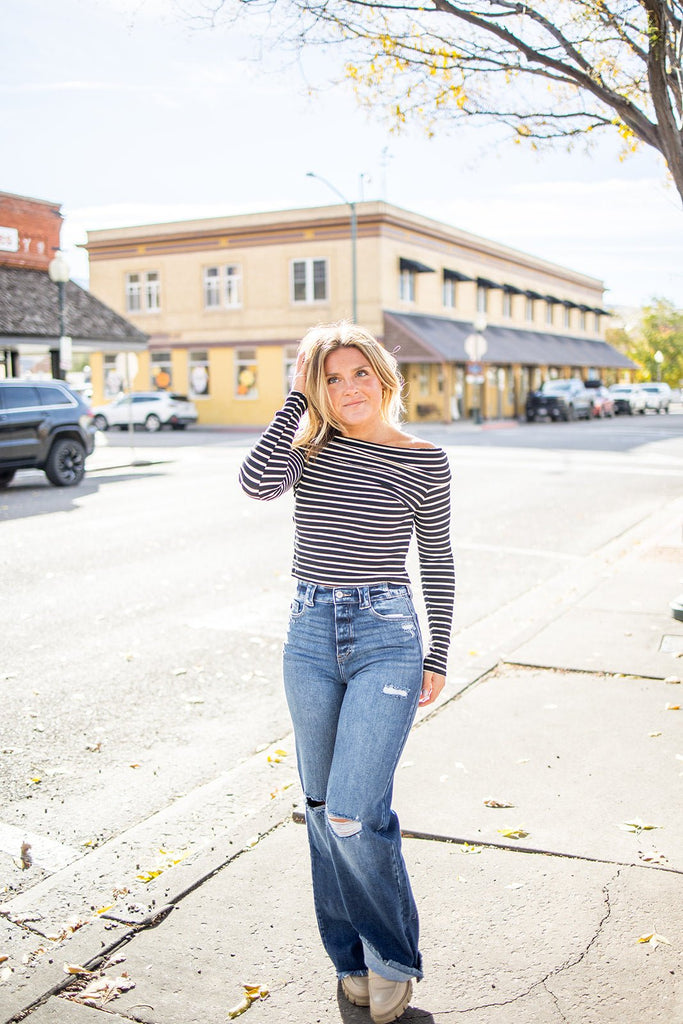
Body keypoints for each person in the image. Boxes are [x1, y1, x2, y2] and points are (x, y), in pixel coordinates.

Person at [239, 322, 455, 1024]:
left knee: (352, 811)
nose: (347, 387)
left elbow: (438, 562)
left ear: (383, 377)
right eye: (331, 378)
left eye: (358, 372)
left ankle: (391, 957)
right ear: (316, 388)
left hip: (384, 637)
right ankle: (349, 959)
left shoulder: (425, 460)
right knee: (316, 809)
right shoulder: (312, 447)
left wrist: (439, 652)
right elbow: (254, 483)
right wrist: (292, 404)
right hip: (308, 635)